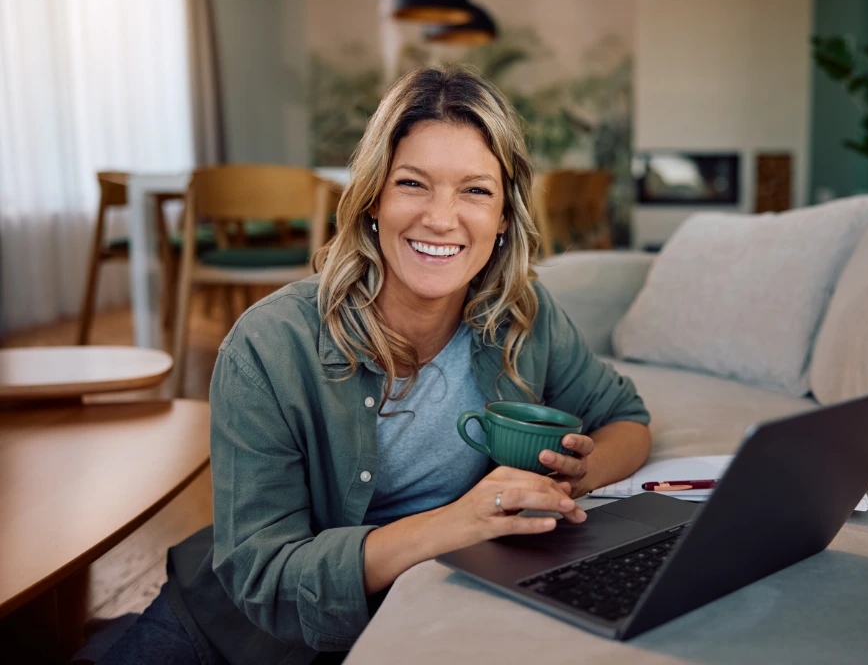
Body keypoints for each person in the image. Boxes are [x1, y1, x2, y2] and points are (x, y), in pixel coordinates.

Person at [97, 64, 651, 665]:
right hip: (234, 632)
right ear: (372, 200)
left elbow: (626, 418)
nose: (442, 218)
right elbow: (263, 577)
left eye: (475, 190)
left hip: (417, 621)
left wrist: (571, 479)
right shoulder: (269, 347)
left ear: (503, 220)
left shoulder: (523, 318)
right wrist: (459, 521)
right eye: (413, 183)